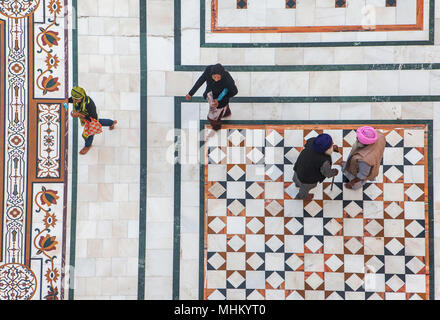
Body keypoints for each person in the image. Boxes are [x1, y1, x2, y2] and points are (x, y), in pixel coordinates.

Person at [66, 86, 117, 155]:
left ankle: (88, 146)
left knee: (89, 133)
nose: (74, 101)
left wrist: (79, 115)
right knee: (100, 122)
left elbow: (92, 118)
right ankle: (111, 123)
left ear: (82, 97)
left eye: (76, 99)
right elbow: (71, 100)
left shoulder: (89, 105)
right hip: (86, 118)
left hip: (91, 120)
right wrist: (64, 101)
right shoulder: (79, 99)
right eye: (73, 99)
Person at [186, 63, 238, 130]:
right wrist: (190, 93)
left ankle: (216, 126)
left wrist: (220, 100)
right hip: (211, 94)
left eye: (218, 77)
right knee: (216, 108)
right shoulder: (208, 70)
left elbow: (234, 91)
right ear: (211, 74)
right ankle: (226, 113)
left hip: (222, 97)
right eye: (214, 77)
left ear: (222, 75)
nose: (216, 79)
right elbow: (200, 81)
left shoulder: (227, 77)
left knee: (213, 118)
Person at [293, 133, 339, 200]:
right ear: (326, 149)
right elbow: (327, 173)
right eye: (331, 144)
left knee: (297, 181)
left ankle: (297, 185)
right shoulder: (325, 161)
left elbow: (314, 148)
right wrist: (334, 172)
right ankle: (301, 197)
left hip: (297, 170)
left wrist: (330, 148)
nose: (333, 143)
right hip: (307, 180)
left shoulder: (311, 141)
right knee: (304, 190)